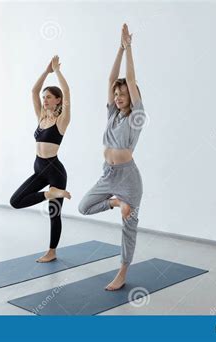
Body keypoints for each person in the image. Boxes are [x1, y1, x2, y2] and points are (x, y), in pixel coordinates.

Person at [78, 24, 147, 290]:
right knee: (84, 206)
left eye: (122, 93)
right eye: (116, 94)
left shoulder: (137, 116)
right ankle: (116, 203)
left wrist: (129, 49)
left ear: (133, 94)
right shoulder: (113, 115)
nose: (118, 96)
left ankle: (122, 273)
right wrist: (118, 48)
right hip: (108, 175)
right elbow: (111, 80)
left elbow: (129, 79)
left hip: (129, 177)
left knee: (129, 227)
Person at [10, 55, 71, 263]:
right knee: (15, 201)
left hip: (55, 171)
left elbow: (69, 94)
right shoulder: (41, 117)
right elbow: (33, 91)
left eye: (48, 97)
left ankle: (52, 251)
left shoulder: (61, 121)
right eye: (44, 98)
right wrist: (47, 72)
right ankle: (48, 194)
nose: (44, 100)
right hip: (39, 169)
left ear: (58, 100)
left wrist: (58, 71)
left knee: (55, 214)